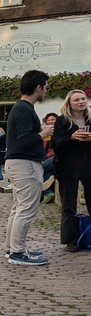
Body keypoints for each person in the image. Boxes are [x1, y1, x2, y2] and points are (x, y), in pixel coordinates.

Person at [4, 70, 54, 265]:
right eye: (46, 87)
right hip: (25, 164)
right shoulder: (24, 109)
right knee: (25, 210)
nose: (46, 91)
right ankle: (17, 253)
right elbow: (24, 140)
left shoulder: (20, 107)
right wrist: (43, 133)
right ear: (38, 88)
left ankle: (12, 249)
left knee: (18, 209)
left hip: (18, 163)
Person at [53, 90, 91, 251]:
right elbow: (56, 144)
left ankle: (88, 236)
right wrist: (71, 137)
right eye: (76, 100)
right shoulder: (62, 121)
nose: (81, 102)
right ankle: (70, 239)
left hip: (88, 162)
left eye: (83, 99)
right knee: (69, 203)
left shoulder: (90, 119)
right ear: (69, 103)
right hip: (68, 165)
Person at [41, 113, 58, 204]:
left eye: (53, 119)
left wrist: (47, 156)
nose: (51, 121)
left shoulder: (59, 131)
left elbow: (57, 148)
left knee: (41, 167)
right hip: (48, 158)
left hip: (57, 157)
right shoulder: (47, 132)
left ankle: (44, 192)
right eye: (49, 120)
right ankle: (48, 193)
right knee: (48, 172)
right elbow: (44, 148)